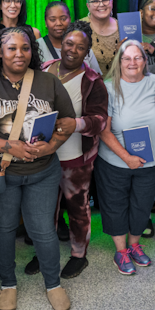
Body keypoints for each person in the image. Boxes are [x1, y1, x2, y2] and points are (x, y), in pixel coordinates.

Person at [0, 26, 77, 310]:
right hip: (0, 173)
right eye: (11, 48)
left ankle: (53, 283)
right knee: (5, 229)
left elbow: (70, 120)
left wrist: (53, 145)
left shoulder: (48, 82)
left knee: (44, 231)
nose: (19, 53)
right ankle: (7, 284)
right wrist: (7, 147)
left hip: (43, 171)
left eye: (25, 48)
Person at [39, 21, 109, 279]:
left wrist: (76, 124)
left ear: (87, 51)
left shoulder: (92, 80)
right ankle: (43, 252)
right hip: (43, 153)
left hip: (75, 158)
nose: (73, 50)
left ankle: (79, 255)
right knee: (45, 208)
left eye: (81, 47)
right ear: (61, 44)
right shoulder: (44, 69)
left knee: (77, 207)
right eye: (69, 43)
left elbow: (100, 120)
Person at [96, 41, 155, 275]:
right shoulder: (108, 87)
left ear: (145, 61)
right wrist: (127, 157)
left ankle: (135, 245)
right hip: (116, 161)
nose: (132, 63)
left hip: (150, 161)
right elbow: (104, 130)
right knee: (116, 205)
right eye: (127, 58)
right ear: (119, 61)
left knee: (142, 206)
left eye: (138, 58)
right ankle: (121, 250)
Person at [81, 0, 120, 74]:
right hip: (90, 86)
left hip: (121, 86)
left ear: (112, 2)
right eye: (95, 1)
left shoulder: (123, 26)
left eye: (105, 0)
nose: (101, 4)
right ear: (88, 6)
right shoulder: (79, 28)